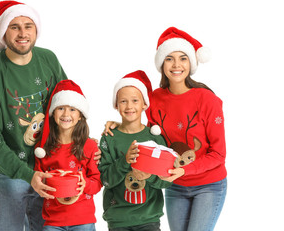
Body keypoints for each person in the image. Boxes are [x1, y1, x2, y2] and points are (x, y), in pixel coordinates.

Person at [105, 27, 227, 231]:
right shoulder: (154, 99)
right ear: (162, 63)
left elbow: (218, 154)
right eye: (169, 58)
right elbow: (135, 117)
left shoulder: (208, 100)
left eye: (183, 58)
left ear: (191, 63)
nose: (177, 64)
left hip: (209, 185)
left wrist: (184, 170)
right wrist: (117, 124)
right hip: (174, 185)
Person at [0, 0, 68, 231]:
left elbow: (67, 105)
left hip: (49, 167)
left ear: (36, 29)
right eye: (14, 26)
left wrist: (79, 146)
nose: (23, 33)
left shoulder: (48, 60)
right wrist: (25, 173)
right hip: (9, 174)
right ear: (3, 31)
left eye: (28, 25)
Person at [98, 70, 172, 231]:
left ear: (144, 104)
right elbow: (104, 180)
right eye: (123, 101)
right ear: (116, 105)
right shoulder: (108, 138)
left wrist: (150, 176)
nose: (129, 106)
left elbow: (166, 180)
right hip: (118, 220)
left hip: (149, 219)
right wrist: (125, 161)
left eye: (135, 100)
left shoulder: (156, 139)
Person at [34, 79, 102, 231]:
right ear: (53, 113)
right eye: (61, 108)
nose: (66, 114)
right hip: (53, 221)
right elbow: (37, 180)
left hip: (83, 220)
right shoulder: (42, 148)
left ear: (80, 116)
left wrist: (85, 184)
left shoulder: (89, 146)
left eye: (72, 109)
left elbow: (97, 182)